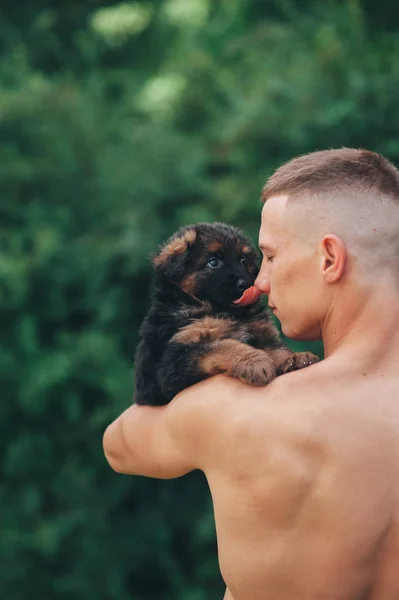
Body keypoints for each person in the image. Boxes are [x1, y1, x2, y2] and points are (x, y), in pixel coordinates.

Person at [103, 148, 399, 600]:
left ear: (329, 259)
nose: (258, 282)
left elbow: (119, 444)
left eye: (270, 257)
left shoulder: (229, 410)